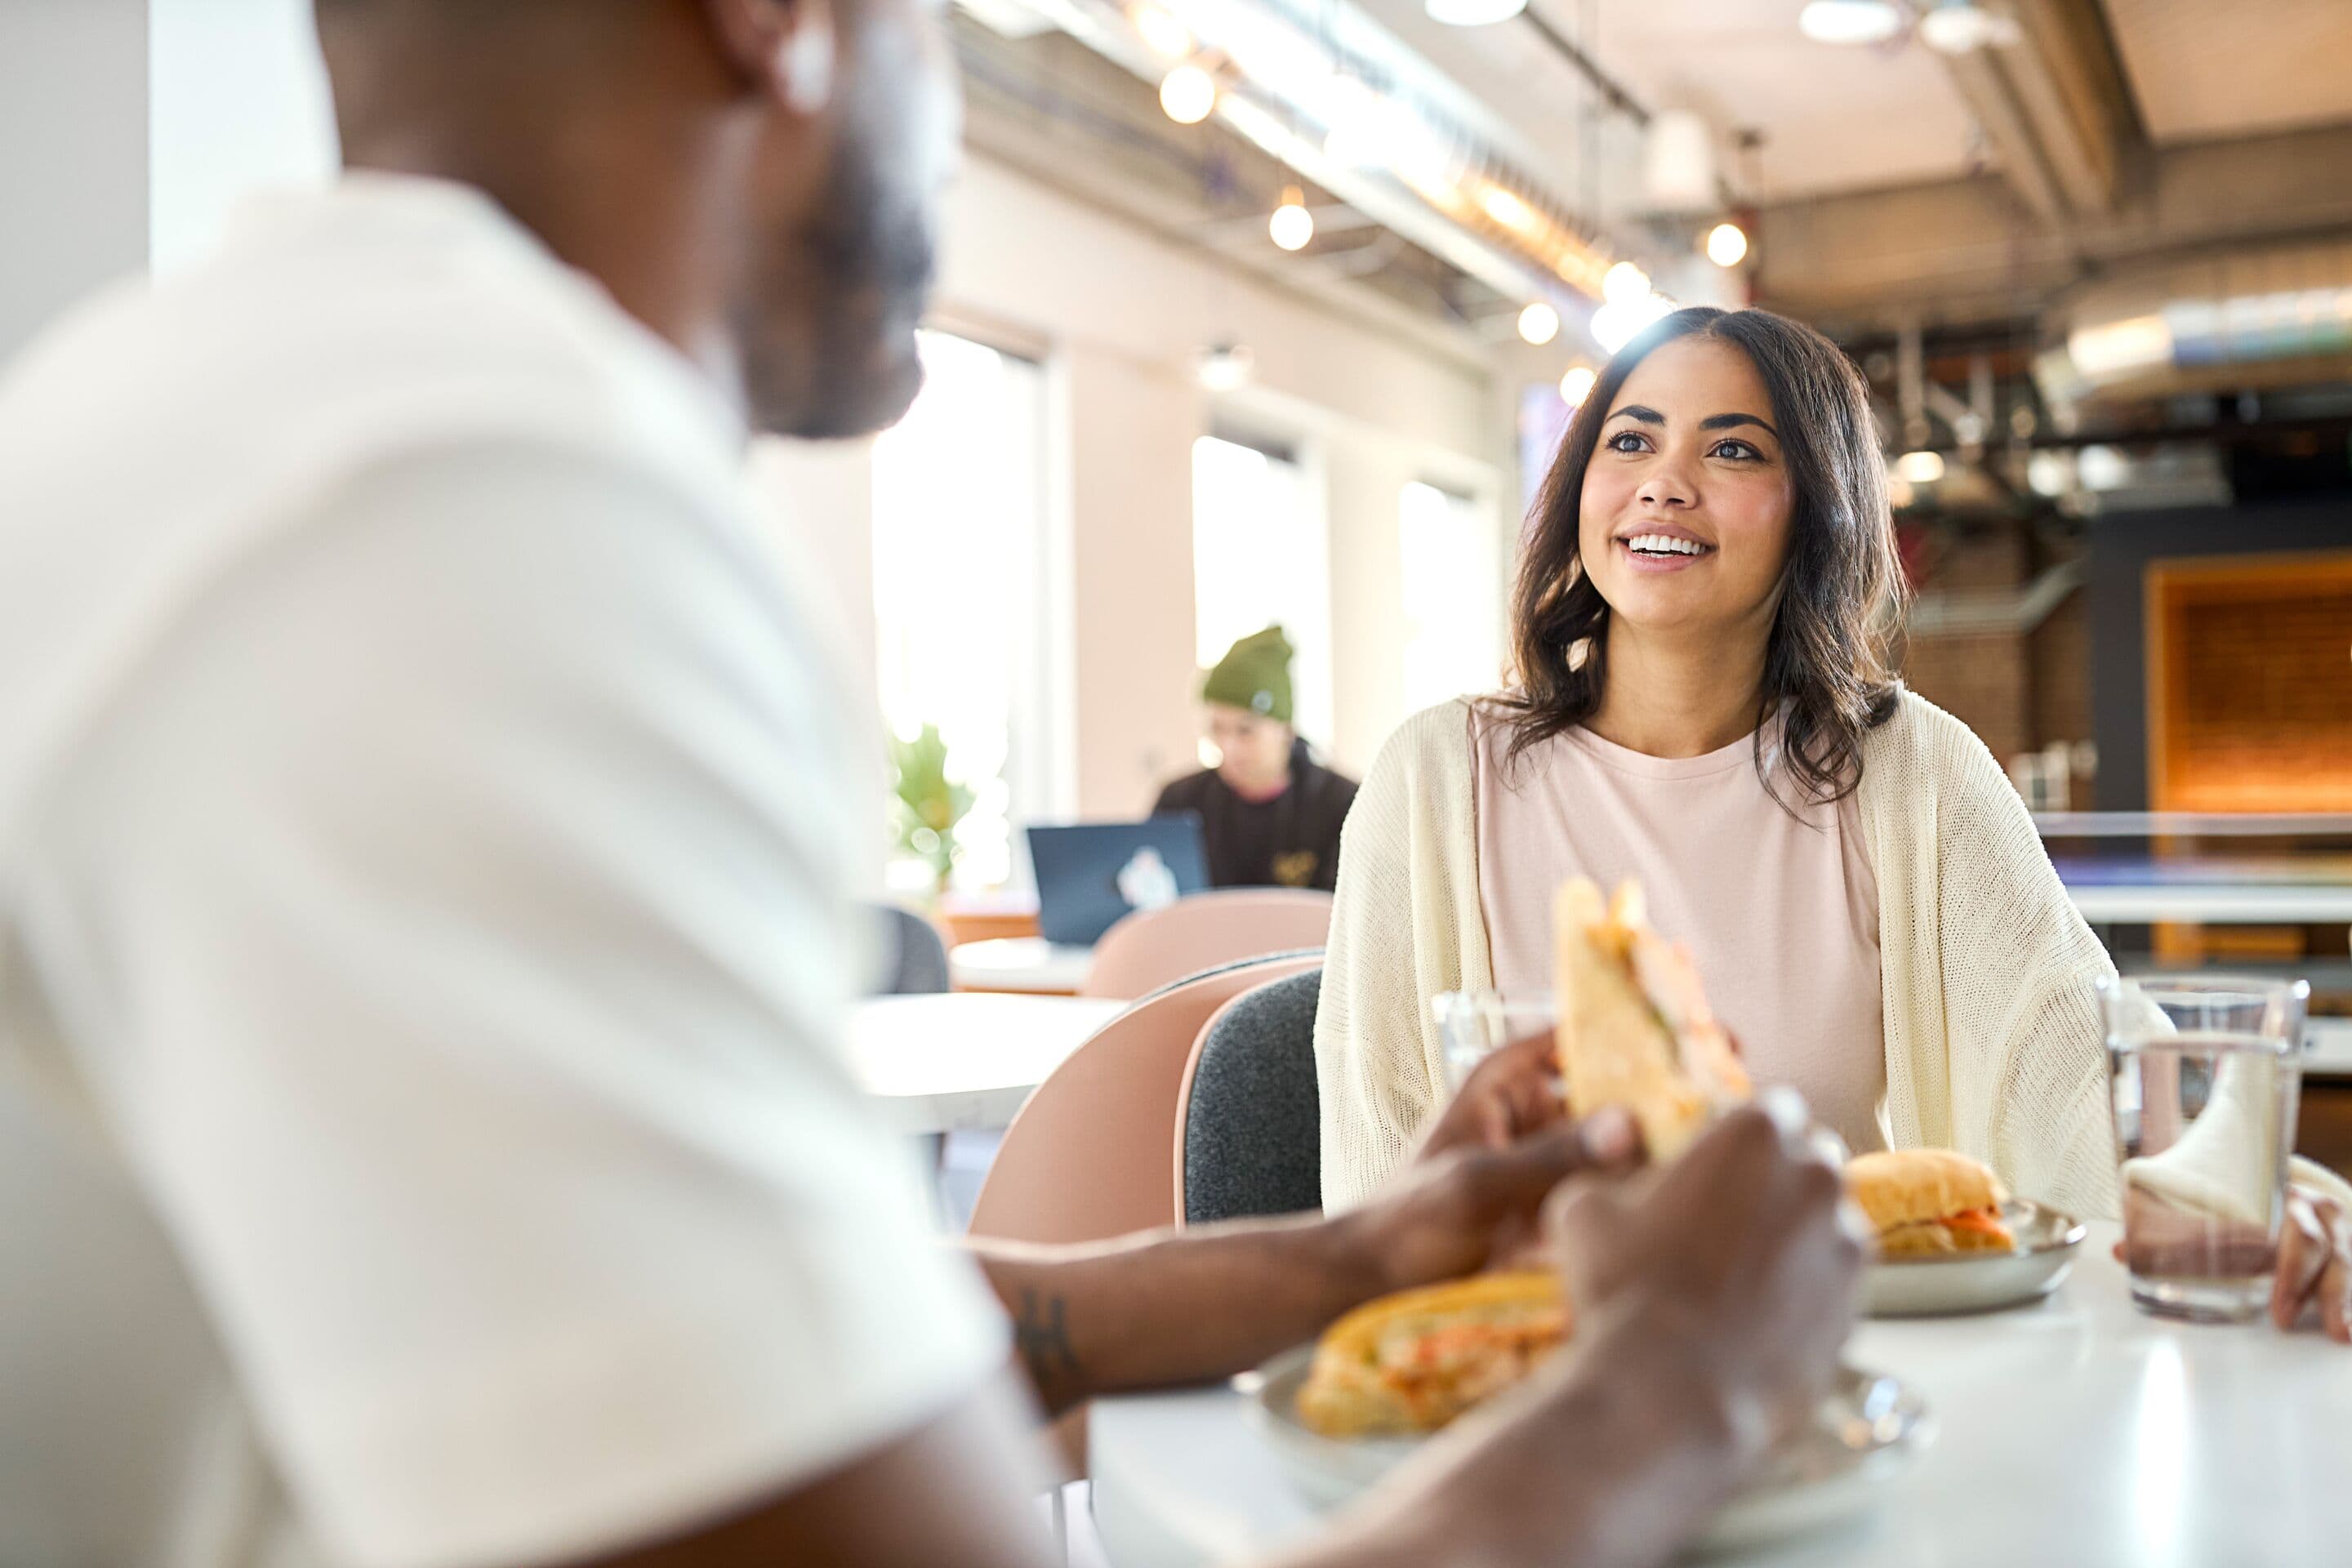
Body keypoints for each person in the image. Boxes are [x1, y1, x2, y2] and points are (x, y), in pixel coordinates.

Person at [0, 3, 1869, 1566]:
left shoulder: (256, 421)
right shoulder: (468, 501)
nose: (954, 127)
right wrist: (1679, 1379)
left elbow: (757, 1357)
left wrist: (1368, 1251)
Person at [1312, 305, 2352, 1340]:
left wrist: (2267, 1198)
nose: (1663, 482)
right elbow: (1380, 1163)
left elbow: (2075, 1066)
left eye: (1732, 449)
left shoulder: (1912, 769)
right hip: (1531, 1359)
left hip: (1838, 1353)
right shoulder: (1436, 780)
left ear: (1818, 508)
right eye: (1629, 440)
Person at [1154, 625, 1358, 891]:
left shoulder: (1341, 804)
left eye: (1245, 730)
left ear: (1286, 730)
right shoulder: (1181, 803)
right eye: (1218, 729)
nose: (1229, 747)